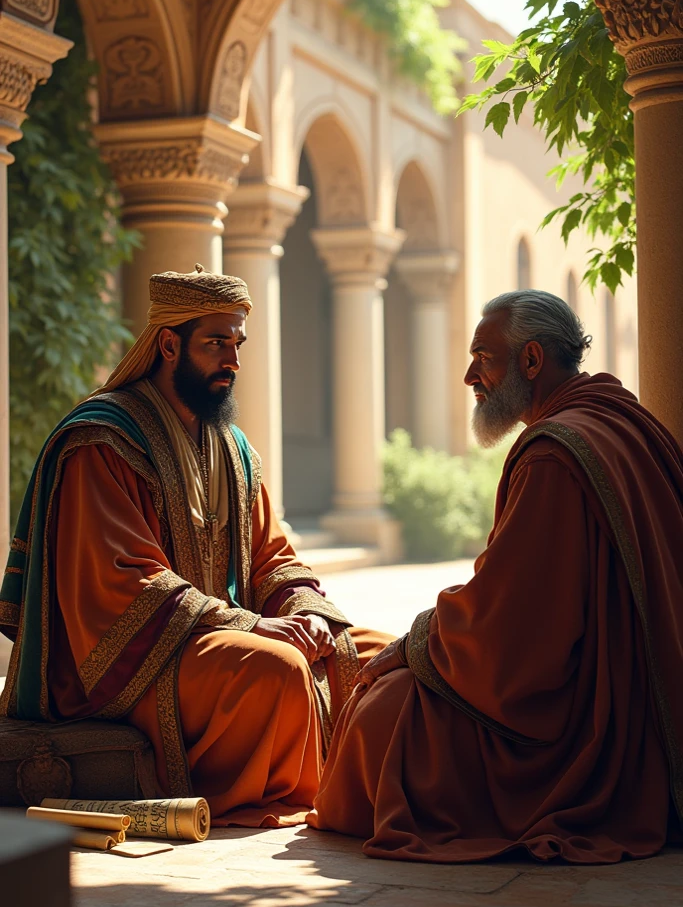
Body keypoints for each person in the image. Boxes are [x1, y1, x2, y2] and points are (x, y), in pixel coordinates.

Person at [0, 265, 392, 825]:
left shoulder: (232, 448)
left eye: (237, 344)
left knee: (376, 657)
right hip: (127, 662)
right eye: (215, 343)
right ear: (167, 344)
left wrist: (308, 613)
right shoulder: (101, 442)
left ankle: (368, 791)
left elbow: (273, 557)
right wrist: (249, 625)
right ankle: (296, 796)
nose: (232, 360)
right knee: (277, 669)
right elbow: (124, 587)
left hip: (211, 641)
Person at [310, 289, 683, 863]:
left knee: (380, 716)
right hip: (637, 702)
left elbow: (514, 634)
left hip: (583, 727)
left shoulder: (553, 456)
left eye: (483, 357)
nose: (468, 376)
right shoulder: (621, 417)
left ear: (531, 361)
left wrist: (415, 645)